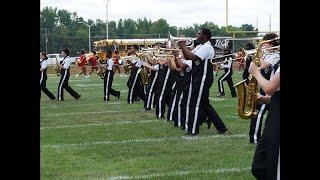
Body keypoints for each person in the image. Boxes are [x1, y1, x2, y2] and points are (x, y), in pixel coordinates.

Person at [178, 28, 228, 135]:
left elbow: (193, 57)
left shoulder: (207, 47)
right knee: (205, 105)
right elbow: (187, 57)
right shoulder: (200, 46)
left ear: (205, 36)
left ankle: (193, 130)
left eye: (199, 33)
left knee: (194, 103)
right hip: (198, 77)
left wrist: (182, 45)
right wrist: (182, 48)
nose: (196, 35)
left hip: (203, 78)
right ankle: (221, 127)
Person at [249, 59, 280, 180]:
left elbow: (269, 88)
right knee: (259, 166)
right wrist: (263, 99)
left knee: (274, 165)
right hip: (273, 118)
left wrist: (256, 73)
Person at [248, 33, 280, 144]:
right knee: (259, 114)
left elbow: (264, 65)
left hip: (270, 88)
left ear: (271, 43)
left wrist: (258, 55)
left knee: (259, 114)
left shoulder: (276, 55)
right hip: (263, 85)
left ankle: (255, 139)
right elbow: (254, 67)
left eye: (264, 43)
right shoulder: (265, 54)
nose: (262, 46)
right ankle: (255, 138)